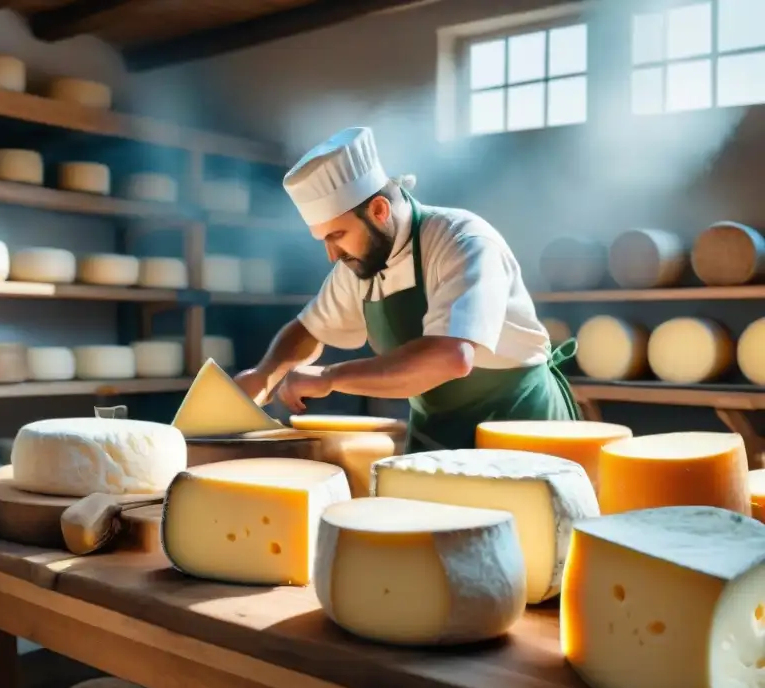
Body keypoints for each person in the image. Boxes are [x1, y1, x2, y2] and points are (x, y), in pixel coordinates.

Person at [234, 126, 580, 452]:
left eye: (336, 235)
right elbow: (309, 329)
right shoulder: (358, 264)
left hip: (519, 428)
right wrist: (264, 375)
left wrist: (329, 377)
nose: (331, 254)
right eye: (323, 239)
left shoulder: (462, 241)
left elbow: (452, 356)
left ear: (379, 210)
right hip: (441, 434)